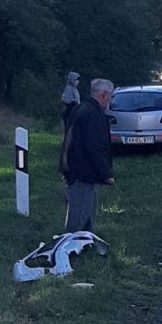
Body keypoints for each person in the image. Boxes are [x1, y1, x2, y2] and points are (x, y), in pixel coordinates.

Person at [59, 78, 115, 234]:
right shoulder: (93, 114)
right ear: (104, 95)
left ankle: (87, 241)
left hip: (74, 167)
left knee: (89, 206)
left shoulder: (82, 107)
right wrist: (106, 174)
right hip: (82, 171)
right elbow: (94, 147)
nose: (110, 100)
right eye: (110, 96)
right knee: (78, 215)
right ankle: (66, 248)